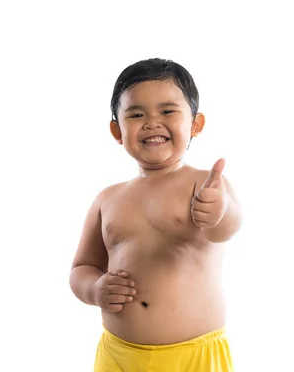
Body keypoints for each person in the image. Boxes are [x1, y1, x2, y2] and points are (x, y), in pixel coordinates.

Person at [69, 58, 242, 371]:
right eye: (136, 114)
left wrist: (218, 212)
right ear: (116, 129)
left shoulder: (205, 185)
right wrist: (95, 289)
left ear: (195, 124)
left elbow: (226, 228)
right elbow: (82, 267)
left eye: (167, 111)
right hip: (119, 354)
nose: (151, 122)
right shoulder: (107, 199)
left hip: (194, 357)